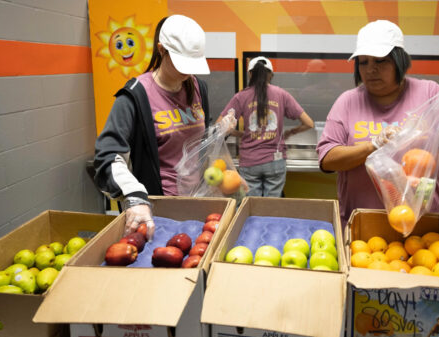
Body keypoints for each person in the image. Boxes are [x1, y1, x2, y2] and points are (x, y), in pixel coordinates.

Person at [317, 20, 439, 224]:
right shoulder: (348, 101)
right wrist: (373, 145)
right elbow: (327, 159)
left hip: (422, 223)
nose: (370, 69)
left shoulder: (428, 93)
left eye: (380, 61)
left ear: (399, 61)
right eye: (363, 62)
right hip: (364, 222)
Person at [94, 14, 236, 240]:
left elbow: (196, 142)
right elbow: (108, 156)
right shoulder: (135, 96)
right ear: (161, 50)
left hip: (198, 206)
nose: (187, 72)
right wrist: (135, 196)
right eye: (182, 63)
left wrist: (220, 132)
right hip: (157, 211)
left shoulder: (199, 89)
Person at [217, 56, 314, 197]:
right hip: (275, 161)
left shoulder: (241, 96)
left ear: (250, 74)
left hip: (249, 161)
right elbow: (309, 123)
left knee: (251, 207)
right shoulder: (282, 94)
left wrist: (240, 134)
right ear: (271, 75)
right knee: (272, 208)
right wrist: (290, 132)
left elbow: (220, 126)